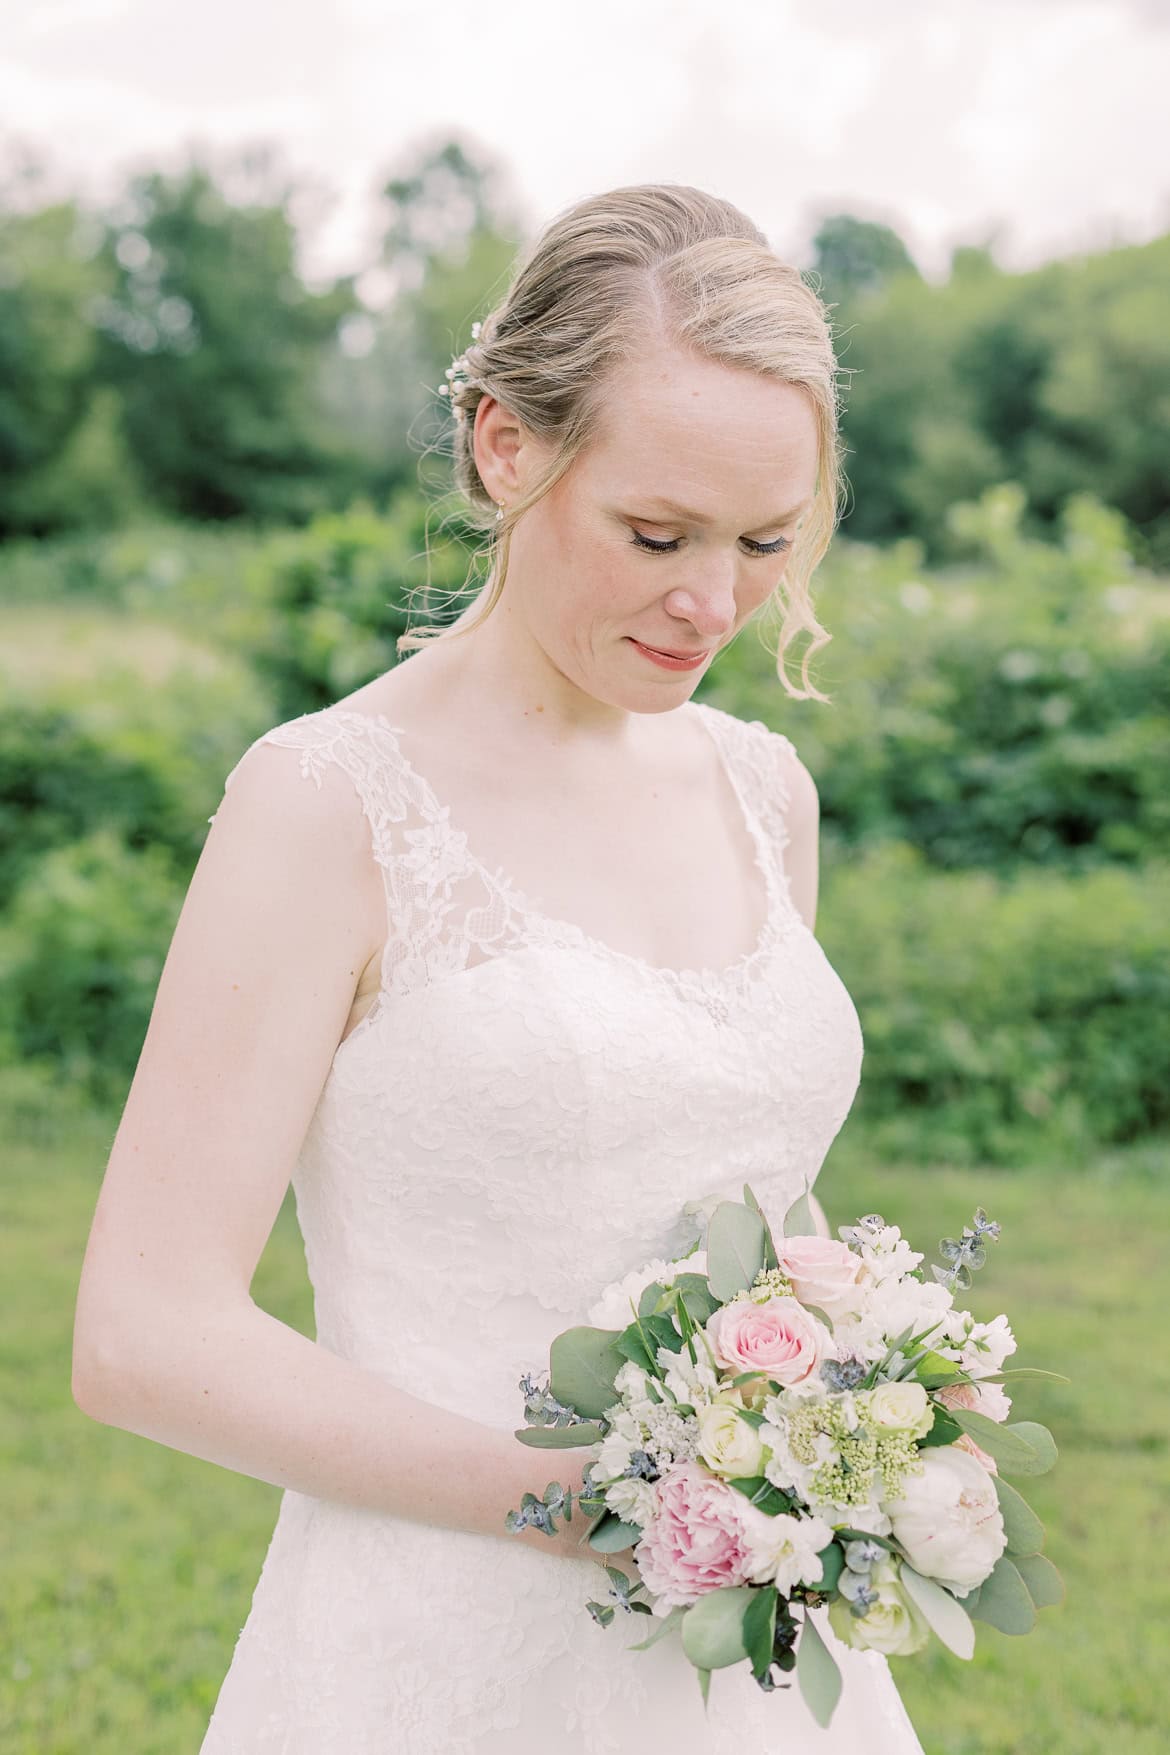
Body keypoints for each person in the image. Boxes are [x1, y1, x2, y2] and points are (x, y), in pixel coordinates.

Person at [71, 183, 925, 1751]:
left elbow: (753, 1211)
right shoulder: (328, 803)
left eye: (763, 543)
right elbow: (144, 1332)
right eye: (656, 535)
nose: (713, 603)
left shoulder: (760, 792)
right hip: (438, 1648)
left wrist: (853, 1417)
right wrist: (580, 1507)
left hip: (747, 1655)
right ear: (504, 447)